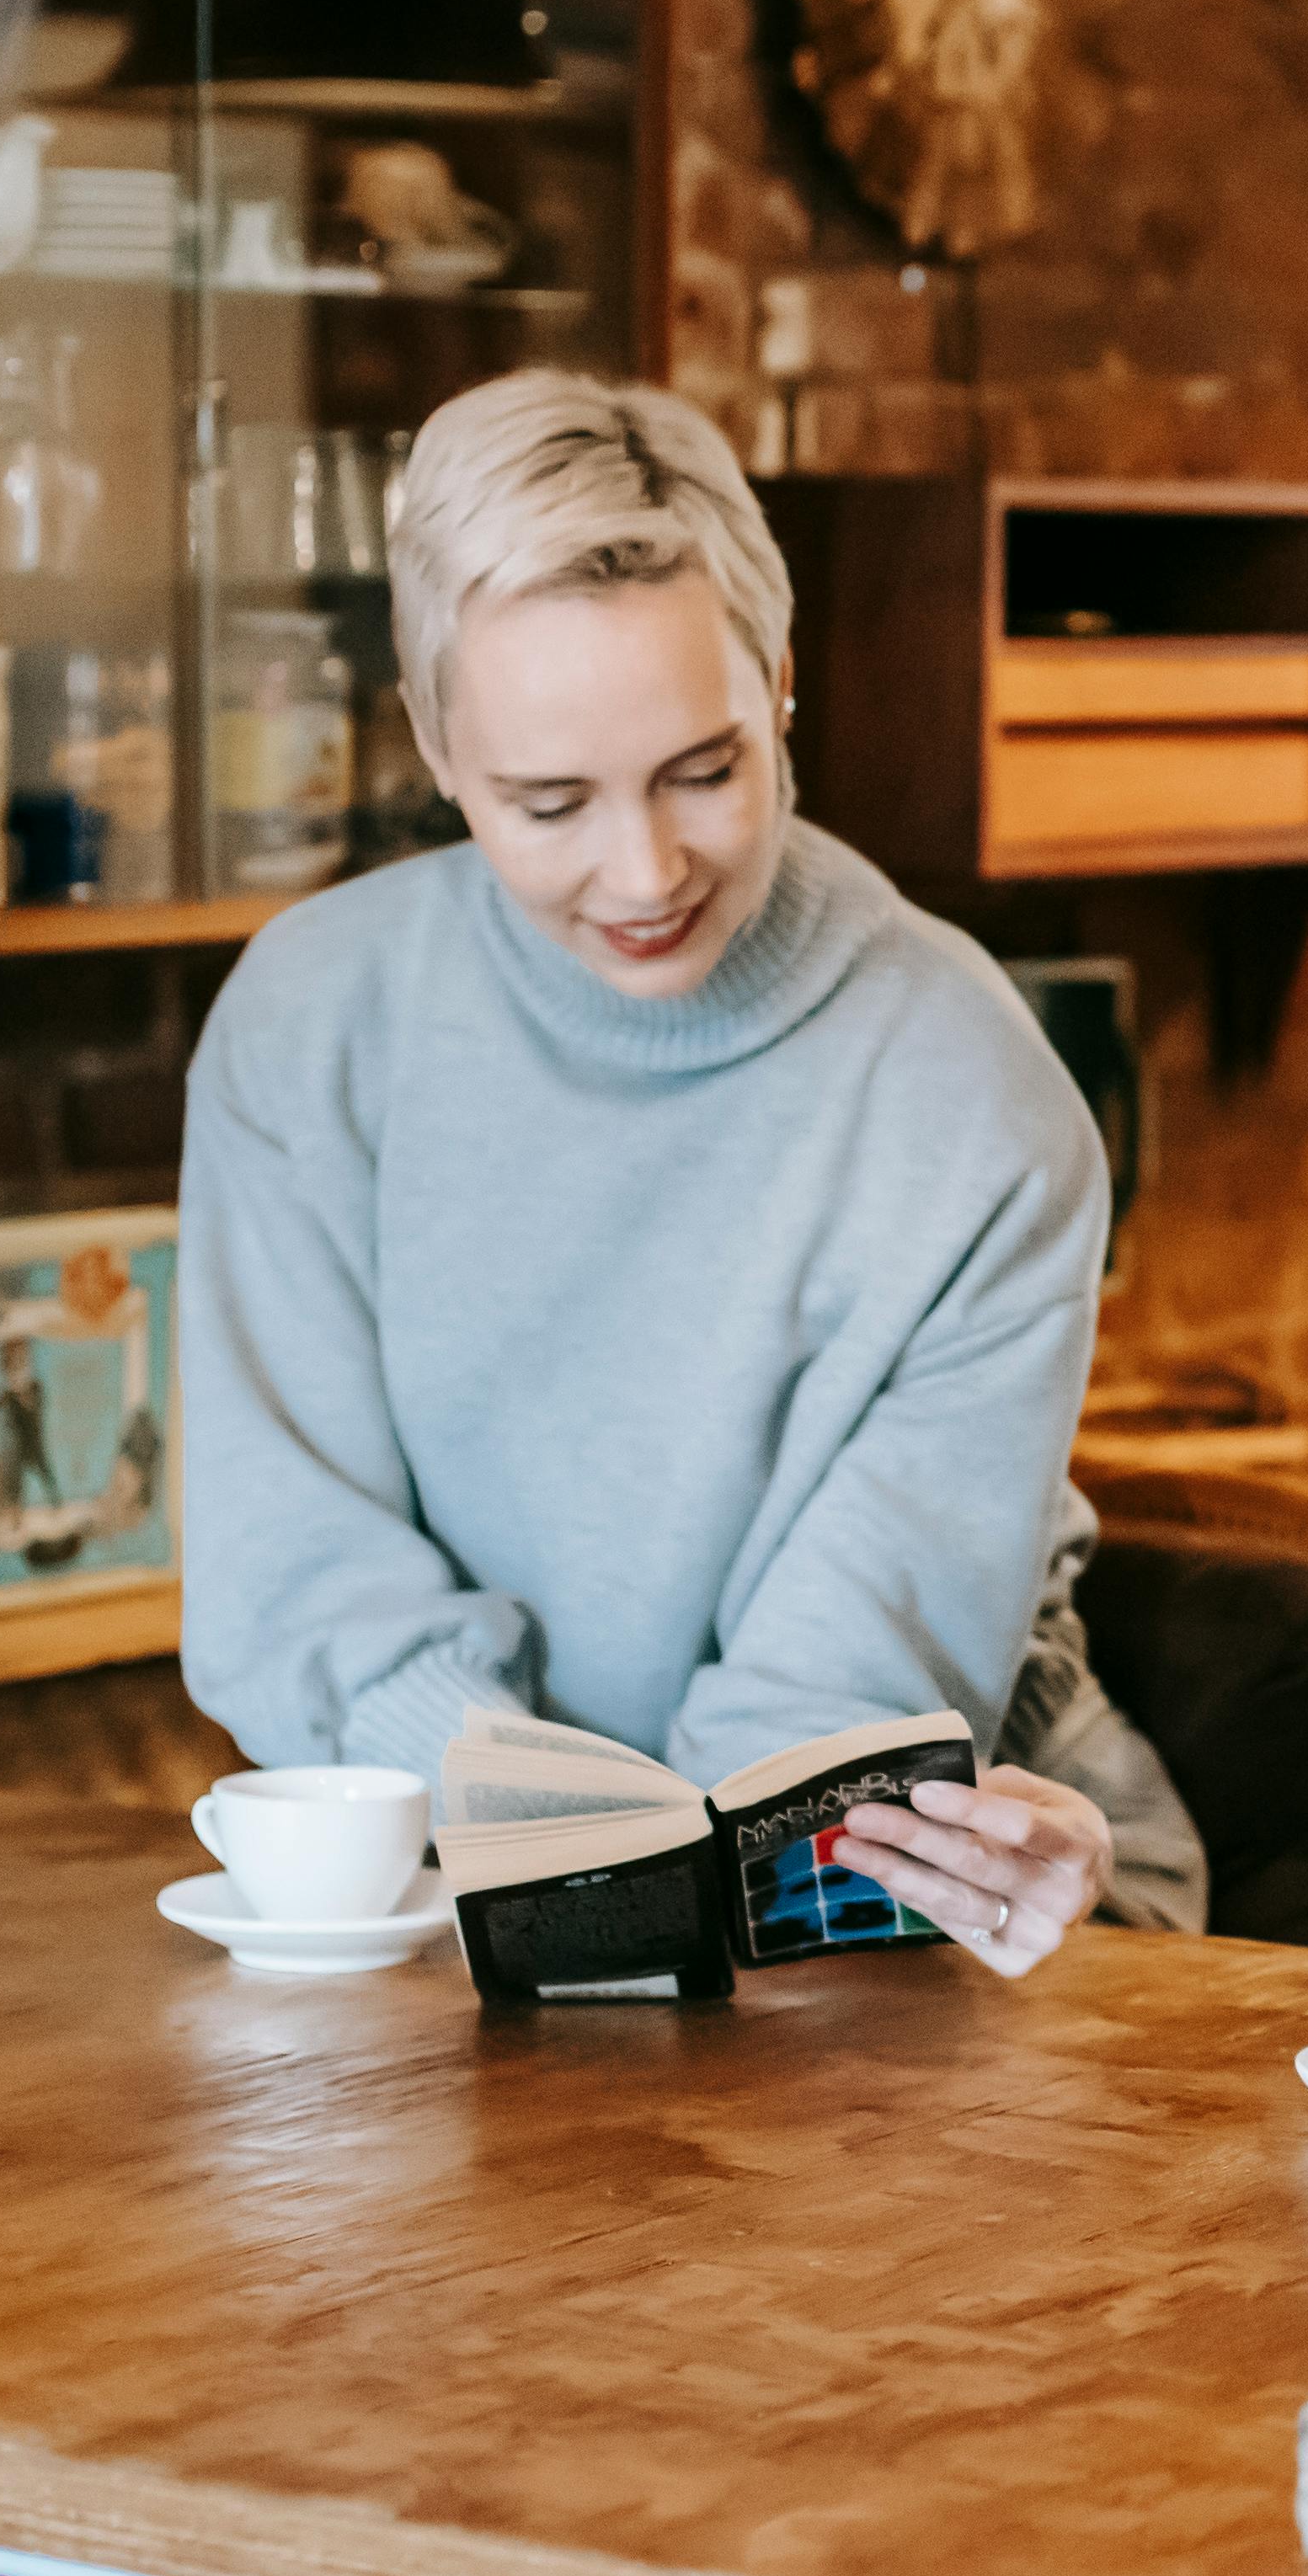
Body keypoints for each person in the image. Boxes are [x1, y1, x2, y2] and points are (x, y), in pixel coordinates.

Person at [179, 370, 1207, 1975]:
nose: (645, 872)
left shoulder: (978, 1103)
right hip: (471, 1873)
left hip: (919, 1892)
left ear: (782, 684)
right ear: (436, 745)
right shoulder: (309, 1027)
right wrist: (539, 1842)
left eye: (703, 772)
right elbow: (298, 1583)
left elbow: (832, 1715)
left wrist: (599, 1881)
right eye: (550, 802)